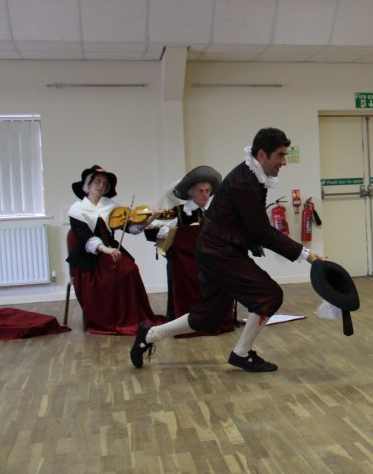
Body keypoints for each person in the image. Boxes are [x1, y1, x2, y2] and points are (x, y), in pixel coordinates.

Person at [128, 128, 325, 372]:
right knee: (269, 295)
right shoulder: (244, 182)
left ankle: (148, 335)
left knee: (208, 316)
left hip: (216, 250)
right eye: (280, 156)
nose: (284, 162)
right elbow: (261, 231)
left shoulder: (251, 177)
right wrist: (305, 254)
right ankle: (242, 353)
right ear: (262, 154)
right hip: (220, 252)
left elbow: (251, 227)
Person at [66, 165, 164, 335]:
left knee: (130, 269)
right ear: (88, 184)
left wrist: (150, 219)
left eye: (104, 182)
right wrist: (105, 249)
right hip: (90, 254)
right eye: (97, 181)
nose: (101, 185)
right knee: (111, 278)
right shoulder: (76, 209)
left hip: (111, 250)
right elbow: (84, 236)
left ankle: (133, 316)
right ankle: (113, 319)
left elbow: (131, 229)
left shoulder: (111, 206)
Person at [145, 166, 232, 330]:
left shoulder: (211, 214)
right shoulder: (177, 213)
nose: (205, 194)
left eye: (208, 191)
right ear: (191, 193)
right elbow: (157, 235)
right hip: (182, 267)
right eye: (201, 191)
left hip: (207, 266)